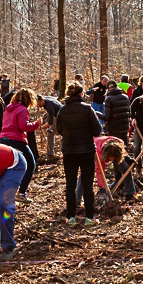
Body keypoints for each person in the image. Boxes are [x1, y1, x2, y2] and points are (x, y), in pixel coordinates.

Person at [54, 82, 103, 226]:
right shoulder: (87, 109)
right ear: (81, 94)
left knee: (70, 184)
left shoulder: (62, 110)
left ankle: (71, 217)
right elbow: (97, 130)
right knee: (87, 184)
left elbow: (59, 129)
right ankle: (89, 217)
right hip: (86, 150)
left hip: (69, 150)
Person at [0, 87, 40, 203]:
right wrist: (36, 124)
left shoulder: (8, 108)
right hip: (16, 140)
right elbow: (24, 126)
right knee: (31, 164)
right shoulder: (22, 110)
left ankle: (4, 192)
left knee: (8, 167)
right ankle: (21, 192)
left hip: (4, 139)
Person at [75, 137, 128, 206]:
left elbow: (122, 150)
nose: (111, 160)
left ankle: (130, 193)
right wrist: (102, 189)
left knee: (126, 166)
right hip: (89, 149)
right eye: (110, 158)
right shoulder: (99, 154)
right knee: (85, 173)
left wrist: (128, 158)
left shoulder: (120, 143)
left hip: (105, 144)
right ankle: (77, 200)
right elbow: (100, 171)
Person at [36, 93, 62, 158]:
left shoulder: (49, 106)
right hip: (57, 114)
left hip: (60, 117)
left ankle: (50, 154)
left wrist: (40, 127)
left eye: (38, 103)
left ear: (42, 100)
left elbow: (50, 122)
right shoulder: (46, 99)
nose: (38, 105)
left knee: (50, 133)